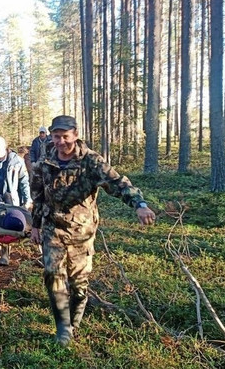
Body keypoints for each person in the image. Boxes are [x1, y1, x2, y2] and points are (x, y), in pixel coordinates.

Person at [30, 115, 156, 346]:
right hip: (52, 229)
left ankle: (74, 322)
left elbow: (118, 183)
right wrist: (35, 225)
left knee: (78, 284)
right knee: (53, 277)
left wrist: (139, 204)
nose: (60, 142)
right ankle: (63, 329)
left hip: (81, 233)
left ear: (75, 134)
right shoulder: (45, 160)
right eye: (56, 137)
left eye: (65, 137)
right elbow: (38, 195)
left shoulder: (92, 162)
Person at [0, 136, 32, 265]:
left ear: (4, 147)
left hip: (12, 199)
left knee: (8, 225)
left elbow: (24, 182)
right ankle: (3, 252)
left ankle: (6, 253)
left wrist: (27, 199)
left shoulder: (17, 161)